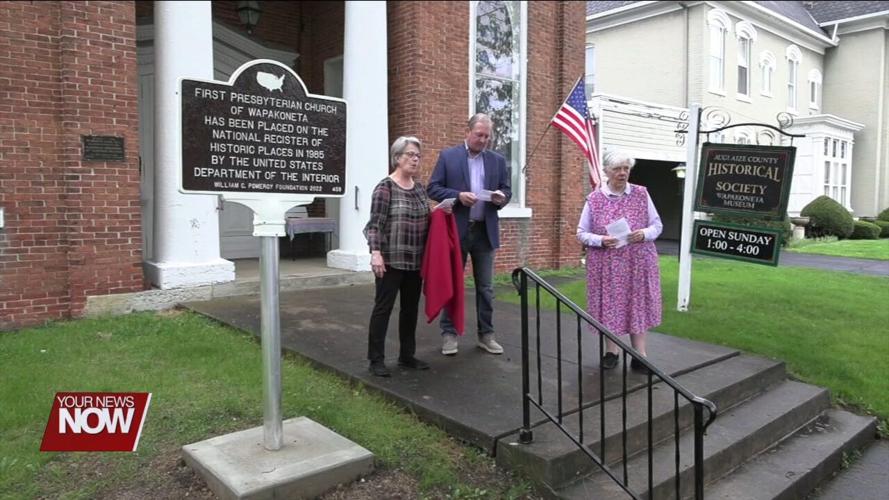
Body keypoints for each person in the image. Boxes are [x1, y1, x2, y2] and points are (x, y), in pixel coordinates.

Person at [428, 113, 512, 356]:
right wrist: (457, 196)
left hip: (485, 231)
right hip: (457, 230)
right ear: (467, 132)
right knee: (452, 283)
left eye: (487, 136)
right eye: (479, 135)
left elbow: (506, 190)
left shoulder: (497, 160)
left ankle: (486, 334)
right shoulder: (448, 156)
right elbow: (433, 187)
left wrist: (501, 198)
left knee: (486, 287)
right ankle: (449, 333)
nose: (483, 140)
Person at [576, 149, 663, 373]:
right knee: (610, 305)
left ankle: (639, 354)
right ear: (606, 171)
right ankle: (611, 352)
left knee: (637, 304)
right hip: (607, 265)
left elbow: (657, 225)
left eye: (626, 168)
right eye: (617, 169)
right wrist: (601, 240)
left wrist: (643, 233)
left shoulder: (642, 194)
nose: (622, 173)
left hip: (637, 263)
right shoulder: (595, 199)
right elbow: (581, 233)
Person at [364, 136, 433, 377]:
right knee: (383, 309)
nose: (415, 159)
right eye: (410, 154)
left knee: (410, 309)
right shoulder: (385, 188)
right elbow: (374, 225)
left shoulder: (420, 188)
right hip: (390, 261)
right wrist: (375, 253)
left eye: (417, 155)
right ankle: (376, 359)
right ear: (397, 158)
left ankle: (406, 355)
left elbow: (428, 218)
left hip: (415, 261)